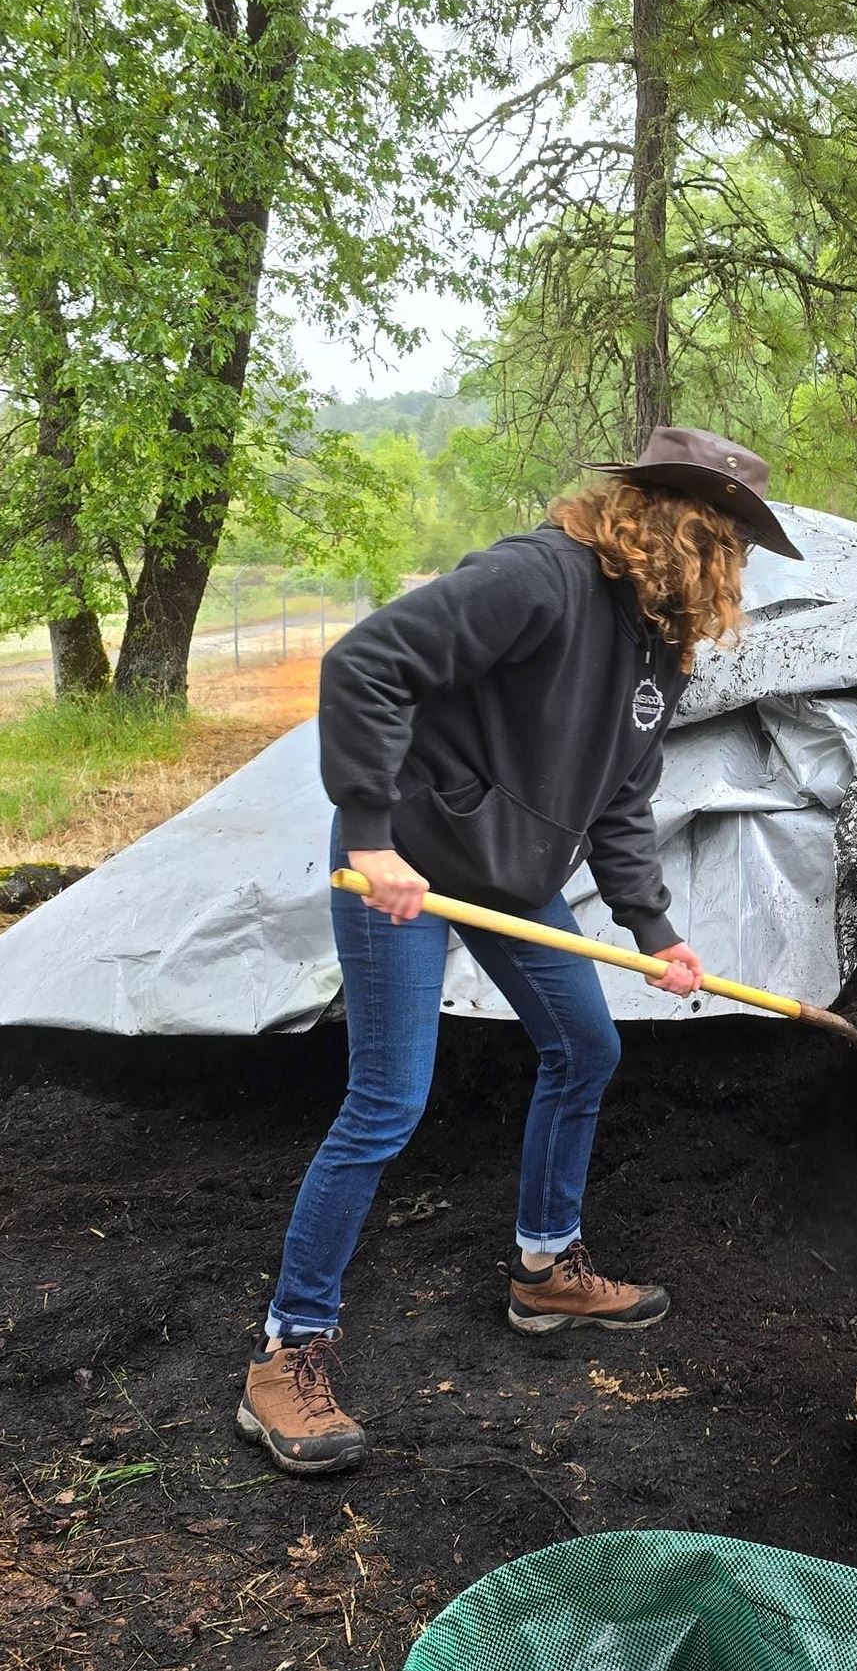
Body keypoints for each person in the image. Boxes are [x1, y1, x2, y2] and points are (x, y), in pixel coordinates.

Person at [238, 427, 803, 1478]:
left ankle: (544, 1266)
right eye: (723, 538)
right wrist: (369, 831)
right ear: (671, 523)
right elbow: (366, 663)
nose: (729, 566)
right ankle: (288, 1349)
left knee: (585, 1047)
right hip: (404, 855)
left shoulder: (658, 646)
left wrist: (657, 931)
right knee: (388, 1099)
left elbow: (621, 800)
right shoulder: (535, 579)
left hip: (510, 868)